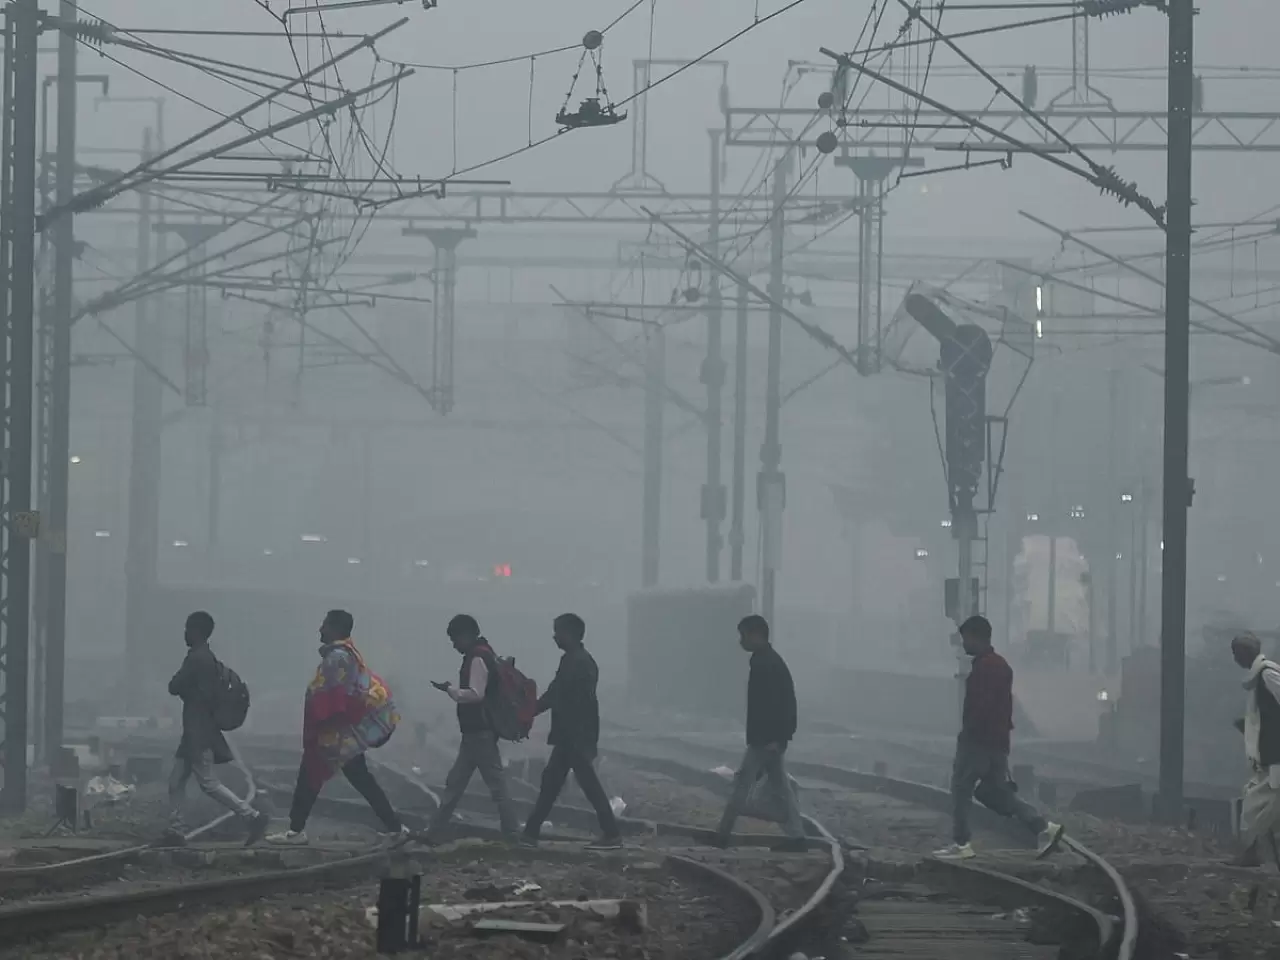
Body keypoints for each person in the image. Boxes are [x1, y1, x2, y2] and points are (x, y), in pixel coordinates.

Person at [267, 610, 406, 845]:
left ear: (334, 628)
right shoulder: (346, 654)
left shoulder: (337, 658)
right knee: (359, 780)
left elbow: (335, 697)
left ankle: (296, 831)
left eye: (324, 625)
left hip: (335, 734)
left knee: (311, 777)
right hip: (341, 734)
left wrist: (322, 725)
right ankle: (396, 828)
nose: (320, 630)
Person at [934, 615, 1064, 861]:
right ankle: (1044, 827)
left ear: (976, 637)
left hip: (977, 743)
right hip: (998, 743)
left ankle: (961, 844)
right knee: (996, 794)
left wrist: (968, 735)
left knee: (961, 789)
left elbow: (980, 707)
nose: (963, 644)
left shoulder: (985, 667)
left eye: (966, 639)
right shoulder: (1001, 665)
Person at [163, 611, 268, 846]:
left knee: (208, 783)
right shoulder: (207, 658)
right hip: (194, 731)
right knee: (176, 780)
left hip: (198, 733)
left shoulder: (197, 659)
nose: (184, 634)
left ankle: (253, 817)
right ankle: (176, 830)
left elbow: (174, 686)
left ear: (196, 632)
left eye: (188, 629)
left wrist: (185, 689)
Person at [520, 614, 623, 850]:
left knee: (585, 784)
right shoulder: (573, 660)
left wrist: (528, 712)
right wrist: (531, 710)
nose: (555, 636)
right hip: (570, 736)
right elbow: (555, 693)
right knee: (552, 782)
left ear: (572, 634)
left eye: (559, 632)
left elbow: (563, 698)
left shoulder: (579, 663)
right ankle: (530, 833)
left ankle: (612, 834)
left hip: (575, 736)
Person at [422, 614, 521, 841]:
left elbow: (476, 694)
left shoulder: (477, 658)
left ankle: (513, 832)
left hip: (480, 733)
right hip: (475, 733)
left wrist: (451, 690)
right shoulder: (485, 653)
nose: (454, 645)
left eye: (455, 639)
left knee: (494, 785)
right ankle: (434, 830)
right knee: (455, 783)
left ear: (466, 635)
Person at [714, 614, 807, 852]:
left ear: (756, 635)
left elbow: (782, 703)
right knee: (781, 787)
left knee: (742, 785)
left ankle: (722, 836)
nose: (741, 641)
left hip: (765, 741)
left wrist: (778, 738)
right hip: (766, 739)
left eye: (743, 635)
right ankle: (797, 837)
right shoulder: (765, 661)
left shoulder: (767, 664)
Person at [1231, 632, 1280, 868]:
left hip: (1277, 760)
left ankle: (1251, 854)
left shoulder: (1268, 674)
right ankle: (1253, 854)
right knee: (1261, 807)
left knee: (1255, 806)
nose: (1235, 659)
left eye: (1237, 653)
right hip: (1271, 760)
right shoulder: (1258, 679)